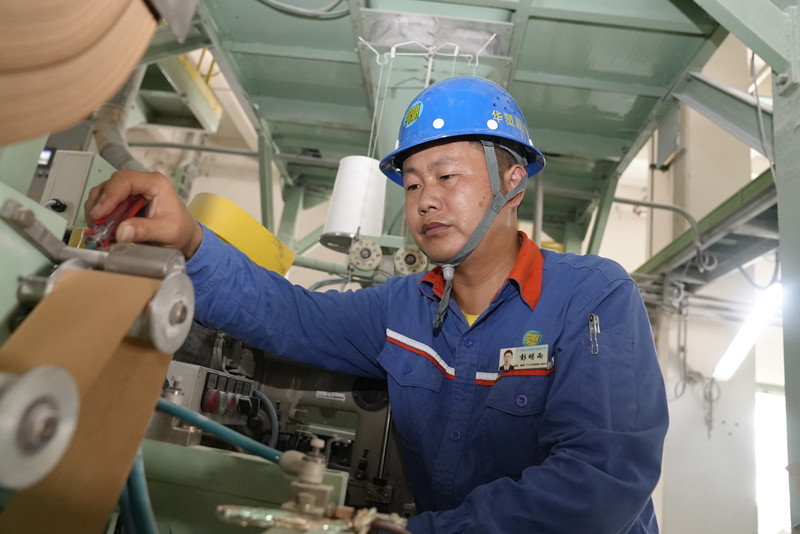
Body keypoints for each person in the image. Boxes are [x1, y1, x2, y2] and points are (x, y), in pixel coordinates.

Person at [86, 76, 669, 533]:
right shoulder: (402, 311)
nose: (425, 201)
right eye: (412, 184)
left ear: (513, 182)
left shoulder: (592, 298)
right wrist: (190, 240)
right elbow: (290, 316)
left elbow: (599, 483)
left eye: (447, 176)